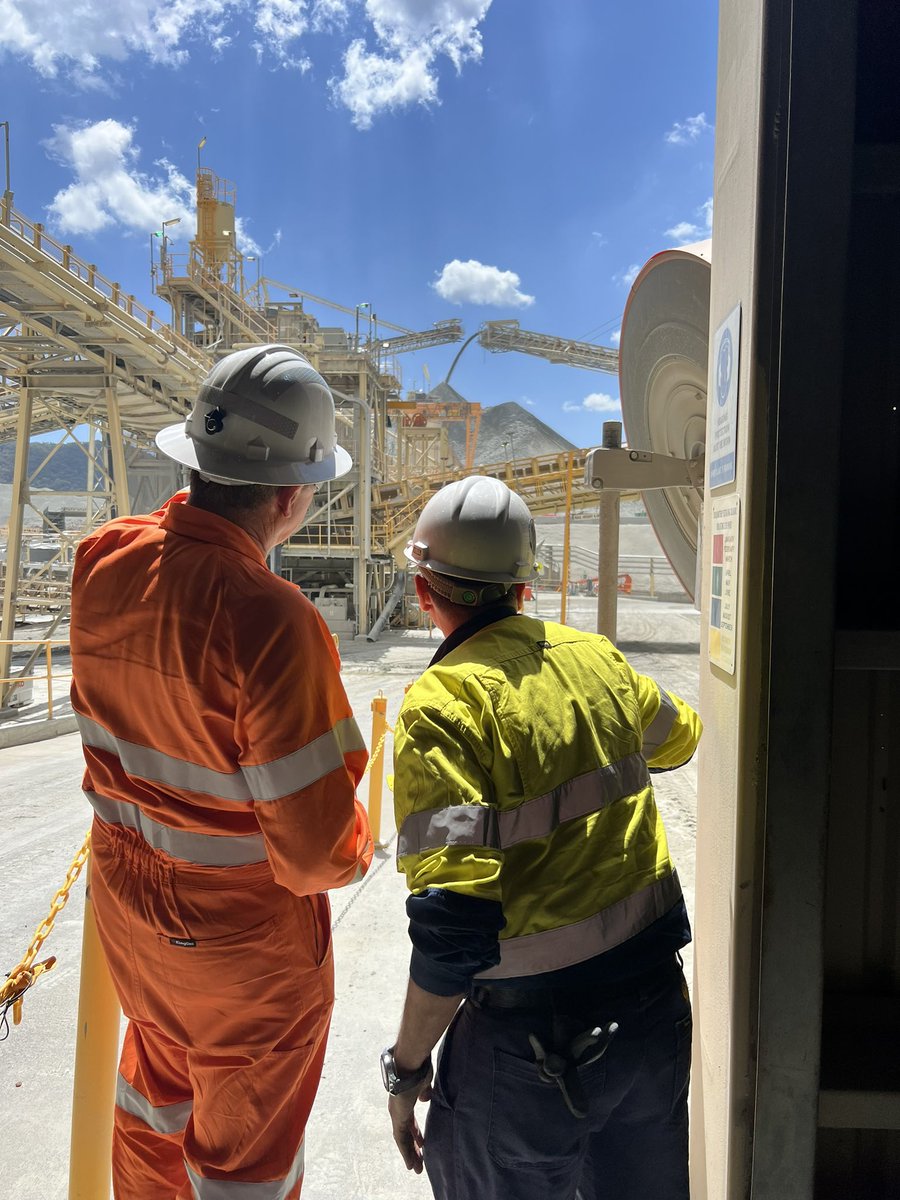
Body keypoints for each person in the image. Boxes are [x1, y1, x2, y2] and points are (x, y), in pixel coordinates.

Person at [70, 344, 373, 1199]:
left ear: (196, 459)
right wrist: (361, 844)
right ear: (293, 494)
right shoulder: (272, 621)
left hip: (130, 917)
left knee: (157, 1093)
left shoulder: (101, 558)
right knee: (246, 1164)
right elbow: (316, 855)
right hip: (241, 956)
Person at [381, 475, 702, 1200]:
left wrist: (406, 1068)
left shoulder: (445, 706)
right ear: (523, 589)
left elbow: (453, 925)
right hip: (652, 1016)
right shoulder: (599, 660)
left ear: (425, 590)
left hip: (531, 1057)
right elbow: (680, 739)